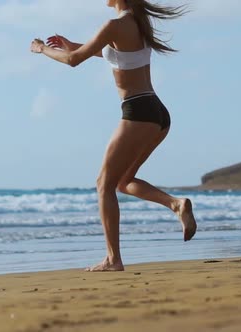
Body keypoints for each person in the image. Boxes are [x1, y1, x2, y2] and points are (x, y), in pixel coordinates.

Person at [30, 0, 197, 272]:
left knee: (103, 185)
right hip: (157, 112)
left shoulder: (115, 25)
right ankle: (176, 204)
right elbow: (110, 53)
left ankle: (113, 259)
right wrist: (72, 44)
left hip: (138, 110)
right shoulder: (137, 23)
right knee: (122, 182)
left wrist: (42, 49)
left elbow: (73, 61)